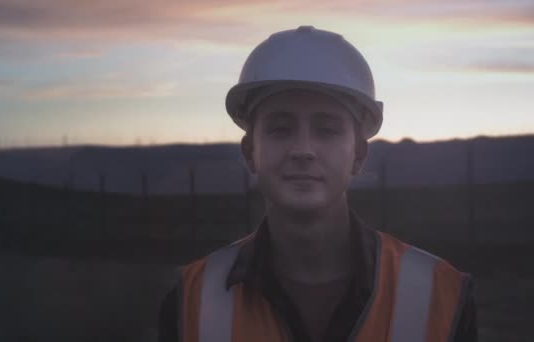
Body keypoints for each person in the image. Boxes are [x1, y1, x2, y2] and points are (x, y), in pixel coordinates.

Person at [159, 26, 477, 342]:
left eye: (326, 130)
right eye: (281, 129)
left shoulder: (441, 297)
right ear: (249, 152)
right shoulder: (190, 299)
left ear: (358, 154)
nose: (303, 150)